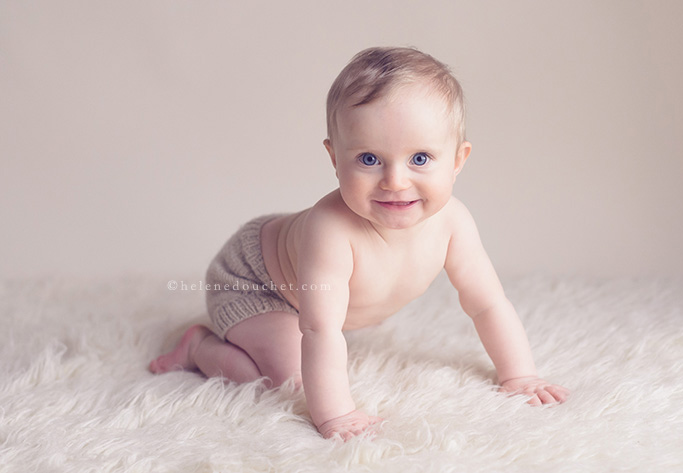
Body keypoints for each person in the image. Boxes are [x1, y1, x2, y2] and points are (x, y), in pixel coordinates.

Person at [149, 46, 569, 441]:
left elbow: (488, 304)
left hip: (305, 287)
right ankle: (199, 347)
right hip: (254, 282)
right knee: (286, 381)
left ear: (458, 161)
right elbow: (319, 327)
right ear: (336, 159)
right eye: (369, 160)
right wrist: (336, 414)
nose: (395, 181)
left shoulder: (454, 222)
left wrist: (520, 375)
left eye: (420, 159)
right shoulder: (330, 230)